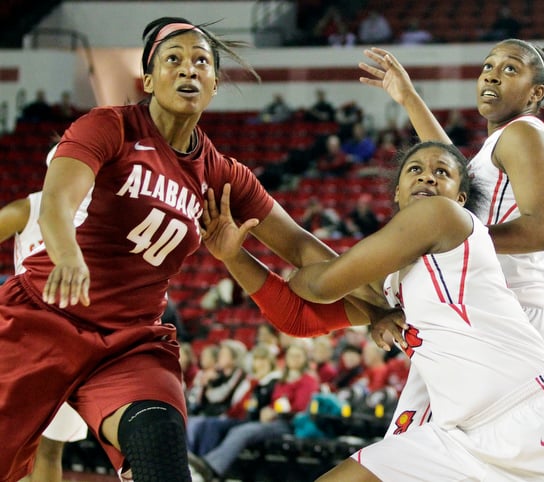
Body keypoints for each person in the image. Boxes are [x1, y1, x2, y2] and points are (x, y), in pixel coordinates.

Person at [0, 17, 383, 482]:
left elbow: (301, 247)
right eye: (174, 60)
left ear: (215, 84)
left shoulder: (223, 174)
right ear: (148, 79)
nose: (189, 69)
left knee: (161, 453)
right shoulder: (109, 126)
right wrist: (68, 255)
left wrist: (380, 300)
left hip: (129, 342)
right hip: (44, 317)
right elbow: (55, 201)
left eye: (201, 61)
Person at [200, 141, 544, 480]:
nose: (427, 176)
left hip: (536, 419)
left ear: (460, 197)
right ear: (397, 192)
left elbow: (322, 284)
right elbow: (297, 316)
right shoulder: (392, 281)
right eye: (414, 170)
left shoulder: (446, 220)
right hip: (457, 440)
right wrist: (233, 257)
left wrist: (318, 283)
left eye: (443, 171)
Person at [358, 40, 544, 361]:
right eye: (488, 66)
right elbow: (451, 164)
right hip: (484, 311)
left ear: (535, 93)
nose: (492, 76)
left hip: (513, 312)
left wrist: (449, 240)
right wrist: (409, 99)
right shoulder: (496, 146)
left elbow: (543, 230)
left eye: (510, 69)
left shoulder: (524, 132)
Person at [0, 144, 90, 482]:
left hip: (75, 339)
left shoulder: (110, 209)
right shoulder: (31, 205)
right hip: (29, 336)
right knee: (29, 445)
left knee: (48, 449)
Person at [188, 341, 319, 480]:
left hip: (291, 423)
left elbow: (301, 407)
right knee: (222, 427)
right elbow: (274, 402)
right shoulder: (283, 379)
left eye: (298, 356)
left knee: (245, 431)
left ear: (305, 358)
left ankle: (212, 467)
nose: (294, 359)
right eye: (291, 355)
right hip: (273, 420)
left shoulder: (308, 380)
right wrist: (269, 410)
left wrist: (273, 412)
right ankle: (202, 463)